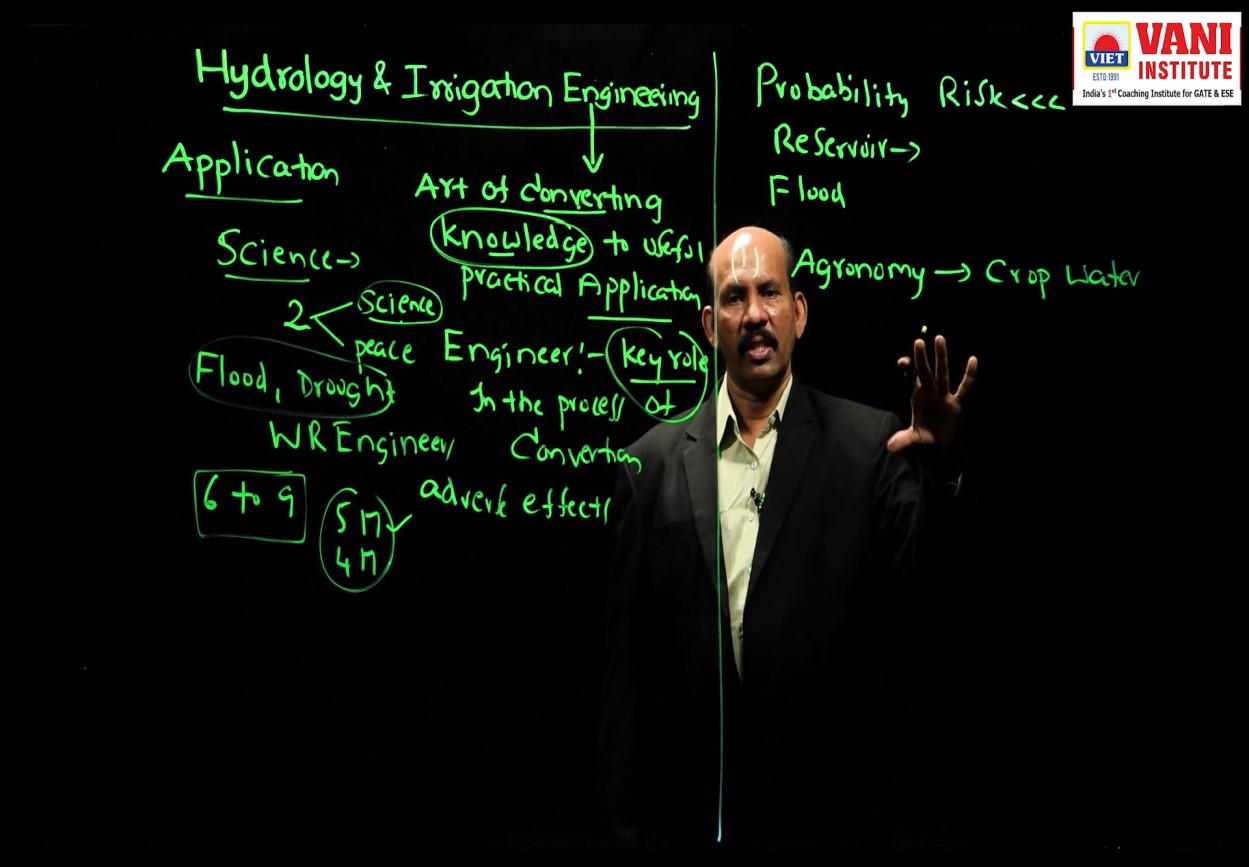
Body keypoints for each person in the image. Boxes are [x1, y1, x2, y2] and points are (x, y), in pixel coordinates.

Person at [599, 226, 977, 848]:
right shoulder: (651, 466)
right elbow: (628, 682)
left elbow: (931, 594)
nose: (754, 314)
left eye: (769, 292)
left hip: (831, 817)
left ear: (798, 313)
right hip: (692, 820)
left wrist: (939, 467)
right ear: (709, 324)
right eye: (734, 296)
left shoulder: (866, 445)